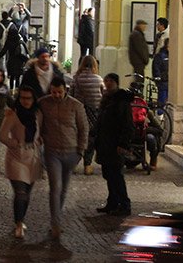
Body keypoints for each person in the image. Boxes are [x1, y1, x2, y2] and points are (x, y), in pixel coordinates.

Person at [39, 77, 88, 240]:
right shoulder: (44, 104)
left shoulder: (76, 106)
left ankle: (57, 217)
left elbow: (83, 129)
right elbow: (37, 122)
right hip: (52, 152)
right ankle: (56, 222)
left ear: (65, 90)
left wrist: (80, 152)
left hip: (71, 153)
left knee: (63, 189)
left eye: (59, 92)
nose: (57, 95)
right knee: (55, 187)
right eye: (53, 92)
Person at [0, 87, 43, 239]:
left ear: (33, 99)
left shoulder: (37, 114)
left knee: (27, 192)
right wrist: (15, 144)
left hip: (33, 157)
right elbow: (2, 135)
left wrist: (39, 140)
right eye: (22, 98)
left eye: (28, 98)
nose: (25, 101)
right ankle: (18, 223)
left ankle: (21, 219)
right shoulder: (12, 114)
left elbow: (40, 131)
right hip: (16, 158)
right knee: (20, 192)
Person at [95, 72, 135, 216]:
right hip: (105, 143)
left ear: (116, 82)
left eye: (111, 81)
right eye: (106, 80)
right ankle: (112, 202)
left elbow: (127, 125)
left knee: (116, 175)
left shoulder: (121, 101)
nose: (108, 83)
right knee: (109, 175)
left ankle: (124, 204)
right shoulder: (107, 99)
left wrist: (123, 144)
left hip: (115, 144)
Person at [70, 55, 105, 175]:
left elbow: (71, 95)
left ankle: (73, 163)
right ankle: (87, 165)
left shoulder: (76, 79)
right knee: (91, 139)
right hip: (94, 113)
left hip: (79, 112)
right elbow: (103, 96)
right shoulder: (99, 79)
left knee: (78, 138)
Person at [0, 20, 28, 91]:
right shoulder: (20, 41)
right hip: (19, 62)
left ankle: (11, 90)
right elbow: (26, 51)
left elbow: (3, 51)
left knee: (12, 77)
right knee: (17, 78)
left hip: (11, 61)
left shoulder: (9, 41)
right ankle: (17, 90)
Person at [152, 38, 170, 109]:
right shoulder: (160, 56)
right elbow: (156, 69)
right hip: (163, 82)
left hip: (169, 82)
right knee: (162, 101)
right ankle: (160, 115)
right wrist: (160, 78)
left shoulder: (171, 55)